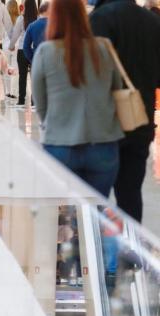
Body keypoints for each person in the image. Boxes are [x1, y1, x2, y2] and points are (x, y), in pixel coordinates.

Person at [31, 0, 124, 197]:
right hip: (102, 143)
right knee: (96, 213)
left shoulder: (45, 52)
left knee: (66, 216)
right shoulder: (104, 48)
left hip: (60, 144)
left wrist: (56, 123)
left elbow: (40, 103)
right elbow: (117, 89)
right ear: (84, 16)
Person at [90, 0, 160, 222]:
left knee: (93, 196)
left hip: (105, 123)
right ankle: (131, 253)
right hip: (140, 118)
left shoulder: (100, 19)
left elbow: (89, 73)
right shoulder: (152, 21)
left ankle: (98, 251)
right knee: (130, 194)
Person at [8, 0, 38, 106]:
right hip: (34, 51)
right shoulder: (38, 19)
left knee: (22, 76)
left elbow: (15, 35)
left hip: (22, 50)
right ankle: (34, 101)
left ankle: (21, 100)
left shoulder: (21, 18)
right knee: (34, 76)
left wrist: (11, 46)